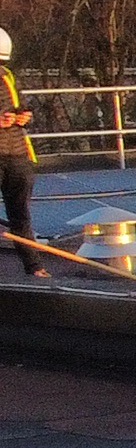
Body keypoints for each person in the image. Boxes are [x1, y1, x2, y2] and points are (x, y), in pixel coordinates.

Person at [0, 28, 34, 276]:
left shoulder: (8, 76)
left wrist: (24, 117)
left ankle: (33, 266)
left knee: (20, 215)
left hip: (17, 154)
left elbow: (21, 105)